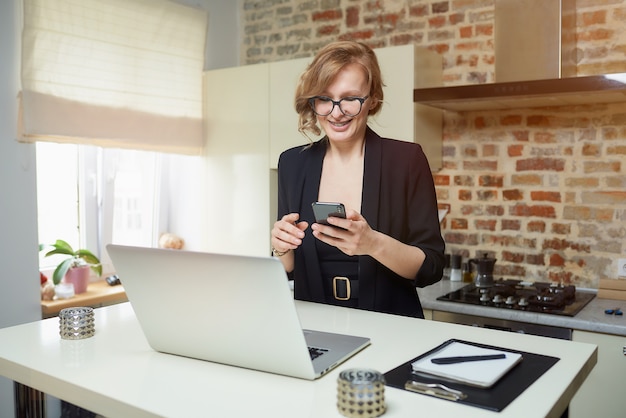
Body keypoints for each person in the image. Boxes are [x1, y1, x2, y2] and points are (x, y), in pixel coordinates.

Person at [270, 40, 445, 318]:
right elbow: (289, 269)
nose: (336, 112)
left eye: (350, 98)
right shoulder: (293, 163)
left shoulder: (407, 160)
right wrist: (280, 248)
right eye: (325, 99)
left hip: (393, 328)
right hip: (316, 325)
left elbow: (432, 267)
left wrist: (373, 244)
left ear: (373, 99)